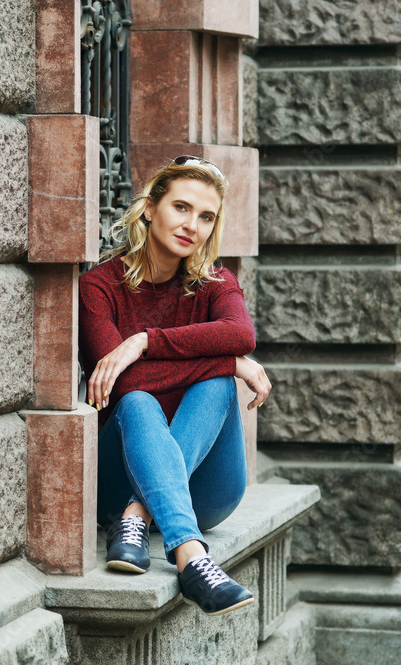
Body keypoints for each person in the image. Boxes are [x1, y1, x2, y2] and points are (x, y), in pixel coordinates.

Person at [78, 155, 272, 616]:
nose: (192, 225)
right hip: (114, 478)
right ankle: (190, 556)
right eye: (181, 207)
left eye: (206, 216)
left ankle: (138, 515)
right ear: (149, 208)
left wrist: (145, 341)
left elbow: (242, 334)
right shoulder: (99, 288)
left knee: (217, 386)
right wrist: (226, 360)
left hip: (206, 489)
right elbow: (123, 386)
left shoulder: (215, 282)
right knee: (139, 399)